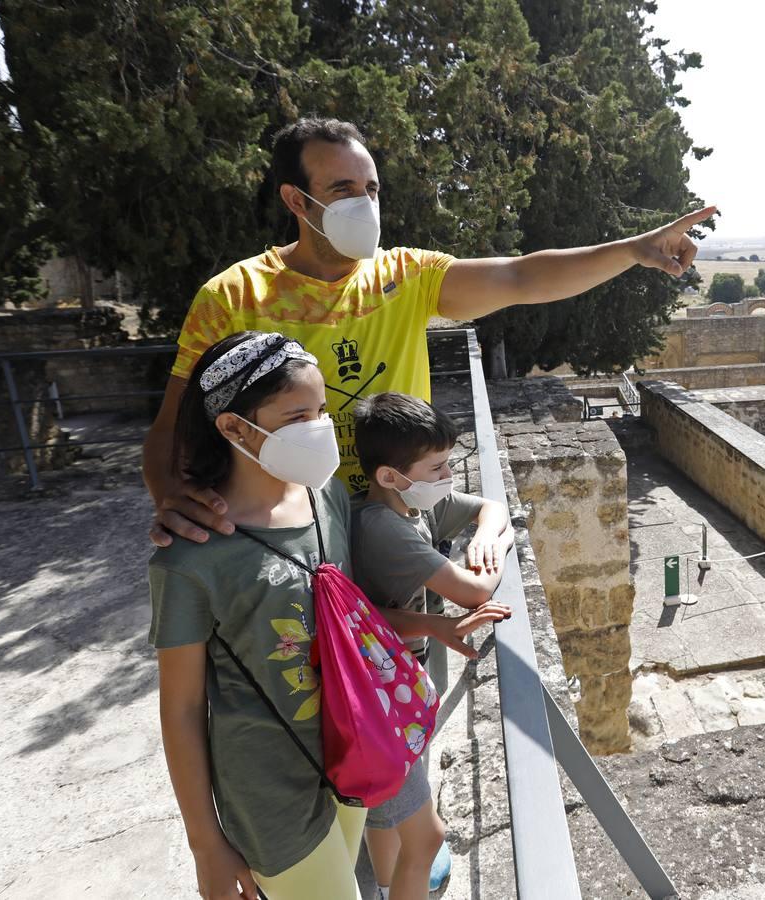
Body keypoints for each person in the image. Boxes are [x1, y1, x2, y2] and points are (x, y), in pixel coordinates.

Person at [145, 116, 713, 545]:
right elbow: (173, 427)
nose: (365, 203)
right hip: (286, 532)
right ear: (297, 199)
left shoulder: (405, 276)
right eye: (343, 190)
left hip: (395, 521)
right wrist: (173, 497)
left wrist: (634, 250)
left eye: (371, 189)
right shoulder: (232, 297)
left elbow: (521, 275)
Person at [150, 331, 502, 900]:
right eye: (297, 416)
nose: (318, 428)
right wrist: (206, 844)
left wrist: (434, 627)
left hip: (351, 755)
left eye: (320, 410)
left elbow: (350, 621)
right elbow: (183, 708)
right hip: (272, 794)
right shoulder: (191, 557)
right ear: (235, 427)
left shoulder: (327, 497)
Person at [349, 391, 514, 899]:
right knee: (406, 819)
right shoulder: (383, 528)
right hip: (380, 692)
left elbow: (491, 506)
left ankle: (387, 877)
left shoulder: (412, 506)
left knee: (391, 807)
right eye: (438, 466)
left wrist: (486, 535)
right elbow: (475, 591)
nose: (447, 477)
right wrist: (501, 549)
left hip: (398, 674)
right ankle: (387, 883)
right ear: (391, 476)